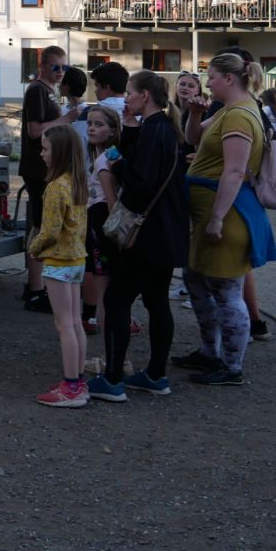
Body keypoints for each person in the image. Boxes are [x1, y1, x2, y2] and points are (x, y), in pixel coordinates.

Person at [169, 50, 276, 386]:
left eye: (212, 77)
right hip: (208, 213)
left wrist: (217, 218)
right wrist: (194, 114)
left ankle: (232, 366)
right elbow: (193, 138)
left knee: (227, 292)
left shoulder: (239, 117)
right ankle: (210, 352)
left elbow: (234, 171)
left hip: (226, 215)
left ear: (229, 79)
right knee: (197, 280)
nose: (208, 84)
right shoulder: (229, 110)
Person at [88, 70, 189, 402]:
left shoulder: (154, 130)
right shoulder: (165, 127)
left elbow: (141, 184)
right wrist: (130, 127)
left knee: (117, 300)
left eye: (131, 93)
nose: (126, 98)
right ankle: (156, 375)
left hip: (147, 234)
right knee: (157, 301)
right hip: (168, 230)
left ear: (145, 95)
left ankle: (113, 378)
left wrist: (117, 163)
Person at [31, 124, 91, 408]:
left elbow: (50, 231)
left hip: (58, 262)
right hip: (77, 259)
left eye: (45, 149)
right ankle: (78, 382)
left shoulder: (55, 187)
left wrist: (33, 248)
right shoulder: (77, 182)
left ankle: (71, 388)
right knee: (75, 322)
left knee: (63, 324)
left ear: (60, 152)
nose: (41, 154)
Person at [23, 47, 85, 313]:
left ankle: (36, 285)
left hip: (48, 167)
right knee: (41, 225)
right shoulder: (37, 90)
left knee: (43, 223)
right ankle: (35, 289)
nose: (60, 72)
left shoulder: (50, 90)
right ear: (42, 66)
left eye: (64, 67)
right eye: (55, 67)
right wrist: (66, 119)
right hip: (38, 167)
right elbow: (34, 130)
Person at [80, 105, 123, 337]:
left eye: (99, 124)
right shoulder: (104, 156)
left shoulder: (105, 159)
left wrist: (116, 231)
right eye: (89, 123)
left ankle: (112, 350)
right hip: (99, 222)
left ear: (113, 130)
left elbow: (111, 199)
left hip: (102, 224)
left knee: (105, 292)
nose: (92, 128)